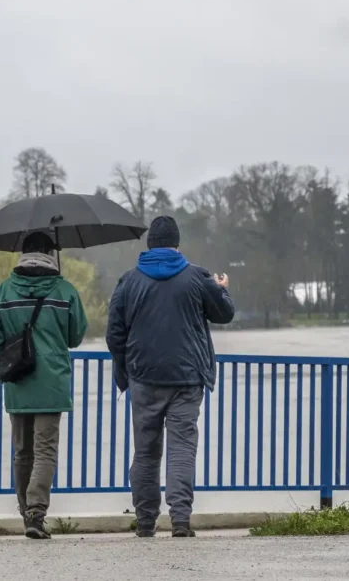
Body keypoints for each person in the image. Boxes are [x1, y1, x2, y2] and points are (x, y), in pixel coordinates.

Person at [106, 215, 235, 538]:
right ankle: (180, 520)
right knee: (181, 448)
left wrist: (126, 372)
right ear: (177, 244)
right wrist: (222, 291)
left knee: (146, 450)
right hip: (187, 379)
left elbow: (114, 335)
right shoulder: (197, 277)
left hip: (144, 377)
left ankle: (146, 521)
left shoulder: (128, 281)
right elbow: (224, 314)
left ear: (149, 245)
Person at [0, 232, 88, 539]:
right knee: (45, 451)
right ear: (50, 254)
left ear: (23, 253)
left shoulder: (3, 291)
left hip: (18, 379)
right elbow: (75, 336)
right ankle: (36, 513)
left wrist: (2, 368)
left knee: (22, 451)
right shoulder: (64, 289)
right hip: (52, 381)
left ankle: (24, 511)